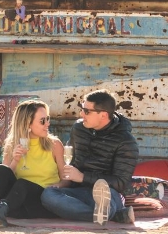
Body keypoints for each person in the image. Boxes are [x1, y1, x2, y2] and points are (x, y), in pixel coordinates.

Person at [40, 90, 138, 225]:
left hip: (108, 193)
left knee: (107, 203)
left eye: (87, 111)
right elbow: (71, 160)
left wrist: (82, 177)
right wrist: (63, 182)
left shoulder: (126, 141)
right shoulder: (78, 128)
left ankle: (106, 212)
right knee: (48, 195)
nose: (81, 114)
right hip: (78, 191)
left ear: (103, 115)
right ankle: (111, 215)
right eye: (81, 108)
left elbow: (121, 183)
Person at [0, 100, 69, 228]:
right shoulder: (12, 145)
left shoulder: (54, 145)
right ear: (27, 124)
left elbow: (66, 178)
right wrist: (15, 160)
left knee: (23, 183)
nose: (48, 123)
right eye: (42, 121)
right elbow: (4, 180)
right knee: (2, 169)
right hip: (17, 202)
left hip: (43, 201)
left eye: (47, 119)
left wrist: (57, 187)